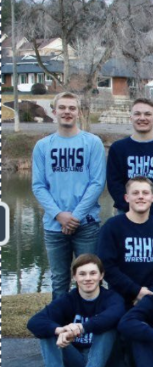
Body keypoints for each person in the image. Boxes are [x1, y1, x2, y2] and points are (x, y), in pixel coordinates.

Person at [27, 254, 125, 367]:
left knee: (107, 327)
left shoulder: (112, 298)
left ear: (101, 276)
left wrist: (80, 328)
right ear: (74, 277)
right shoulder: (68, 299)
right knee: (47, 330)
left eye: (93, 273)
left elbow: (114, 315)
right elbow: (34, 322)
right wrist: (60, 330)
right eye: (82, 274)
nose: (88, 278)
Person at [33, 91, 106, 301]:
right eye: (63, 108)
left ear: (78, 112)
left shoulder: (92, 143)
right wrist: (59, 215)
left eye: (72, 108)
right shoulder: (43, 146)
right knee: (59, 280)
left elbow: (97, 183)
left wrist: (75, 216)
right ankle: (60, 327)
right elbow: (38, 186)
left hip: (86, 226)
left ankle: (91, 326)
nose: (67, 112)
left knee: (90, 279)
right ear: (54, 111)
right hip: (54, 226)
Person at [97, 177, 153, 308]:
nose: (141, 197)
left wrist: (151, 292)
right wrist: (136, 291)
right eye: (135, 193)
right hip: (120, 297)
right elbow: (106, 266)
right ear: (126, 198)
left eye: (145, 193)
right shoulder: (112, 227)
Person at [106, 98, 153, 218]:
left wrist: (149, 211)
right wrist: (131, 210)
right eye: (137, 114)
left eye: (147, 114)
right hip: (125, 214)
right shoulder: (117, 149)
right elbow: (114, 184)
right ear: (131, 118)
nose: (142, 118)